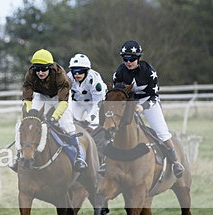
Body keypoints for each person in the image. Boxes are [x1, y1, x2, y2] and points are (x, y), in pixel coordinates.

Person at [112, 40, 185, 178]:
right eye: (125, 58)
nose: (128, 62)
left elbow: (154, 95)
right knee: (114, 128)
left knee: (161, 131)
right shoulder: (119, 72)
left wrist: (142, 106)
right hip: (129, 102)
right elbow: (118, 94)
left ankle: (175, 162)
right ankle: (107, 161)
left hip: (148, 101)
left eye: (132, 58)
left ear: (138, 58)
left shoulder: (149, 71)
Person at [21, 49, 87, 171]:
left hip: (60, 98)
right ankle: (19, 157)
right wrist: (30, 114)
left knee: (65, 124)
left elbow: (63, 103)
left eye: (44, 69)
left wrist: (54, 117)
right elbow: (27, 98)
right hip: (42, 96)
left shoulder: (61, 76)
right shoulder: (30, 74)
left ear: (50, 68)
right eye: (37, 69)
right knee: (29, 123)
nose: (40, 72)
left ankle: (79, 157)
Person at [67, 53, 107, 129]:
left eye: (80, 71)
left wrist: (88, 120)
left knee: (93, 125)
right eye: (74, 71)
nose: (77, 74)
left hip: (93, 103)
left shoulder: (95, 81)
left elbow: (97, 104)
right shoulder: (68, 78)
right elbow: (67, 98)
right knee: (72, 123)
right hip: (78, 102)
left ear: (87, 71)